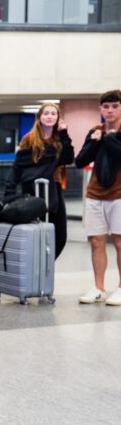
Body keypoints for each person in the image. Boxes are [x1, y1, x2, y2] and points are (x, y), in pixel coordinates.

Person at [4, 102, 73, 259]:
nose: (50, 117)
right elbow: (19, 165)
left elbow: (68, 158)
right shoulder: (29, 139)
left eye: (53, 114)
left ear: (58, 118)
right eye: (46, 113)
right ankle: (34, 265)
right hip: (32, 188)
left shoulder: (60, 139)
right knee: (34, 230)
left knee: (60, 235)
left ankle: (46, 264)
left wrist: (64, 134)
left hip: (53, 188)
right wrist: (10, 192)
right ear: (39, 117)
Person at [76, 89, 121, 305]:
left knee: (120, 242)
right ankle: (99, 287)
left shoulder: (110, 134)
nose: (110, 110)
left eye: (115, 106)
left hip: (119, 194)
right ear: (100, 109)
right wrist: (94, 142)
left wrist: (108, 139)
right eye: (106, 106)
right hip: (95, 193)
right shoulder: (95, 131)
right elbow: (80, 161)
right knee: (96, 240)